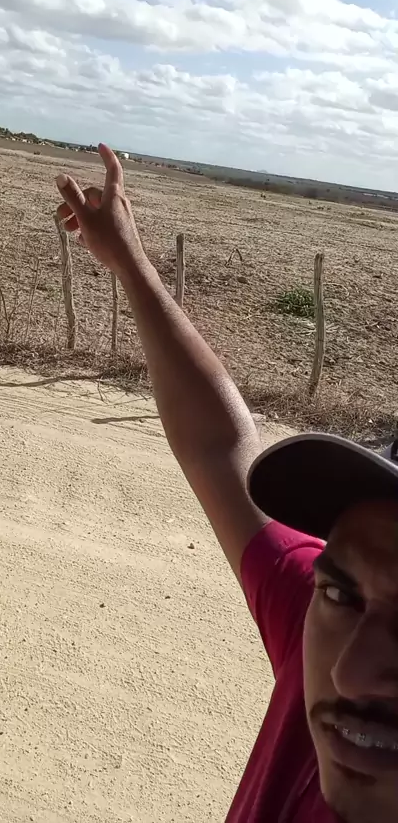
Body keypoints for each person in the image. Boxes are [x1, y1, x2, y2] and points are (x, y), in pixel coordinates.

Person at [55, 145, 398, 823]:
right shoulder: (311, 626)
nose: (349, 672)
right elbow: (220, 450)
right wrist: (128, 259)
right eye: (341, 592)